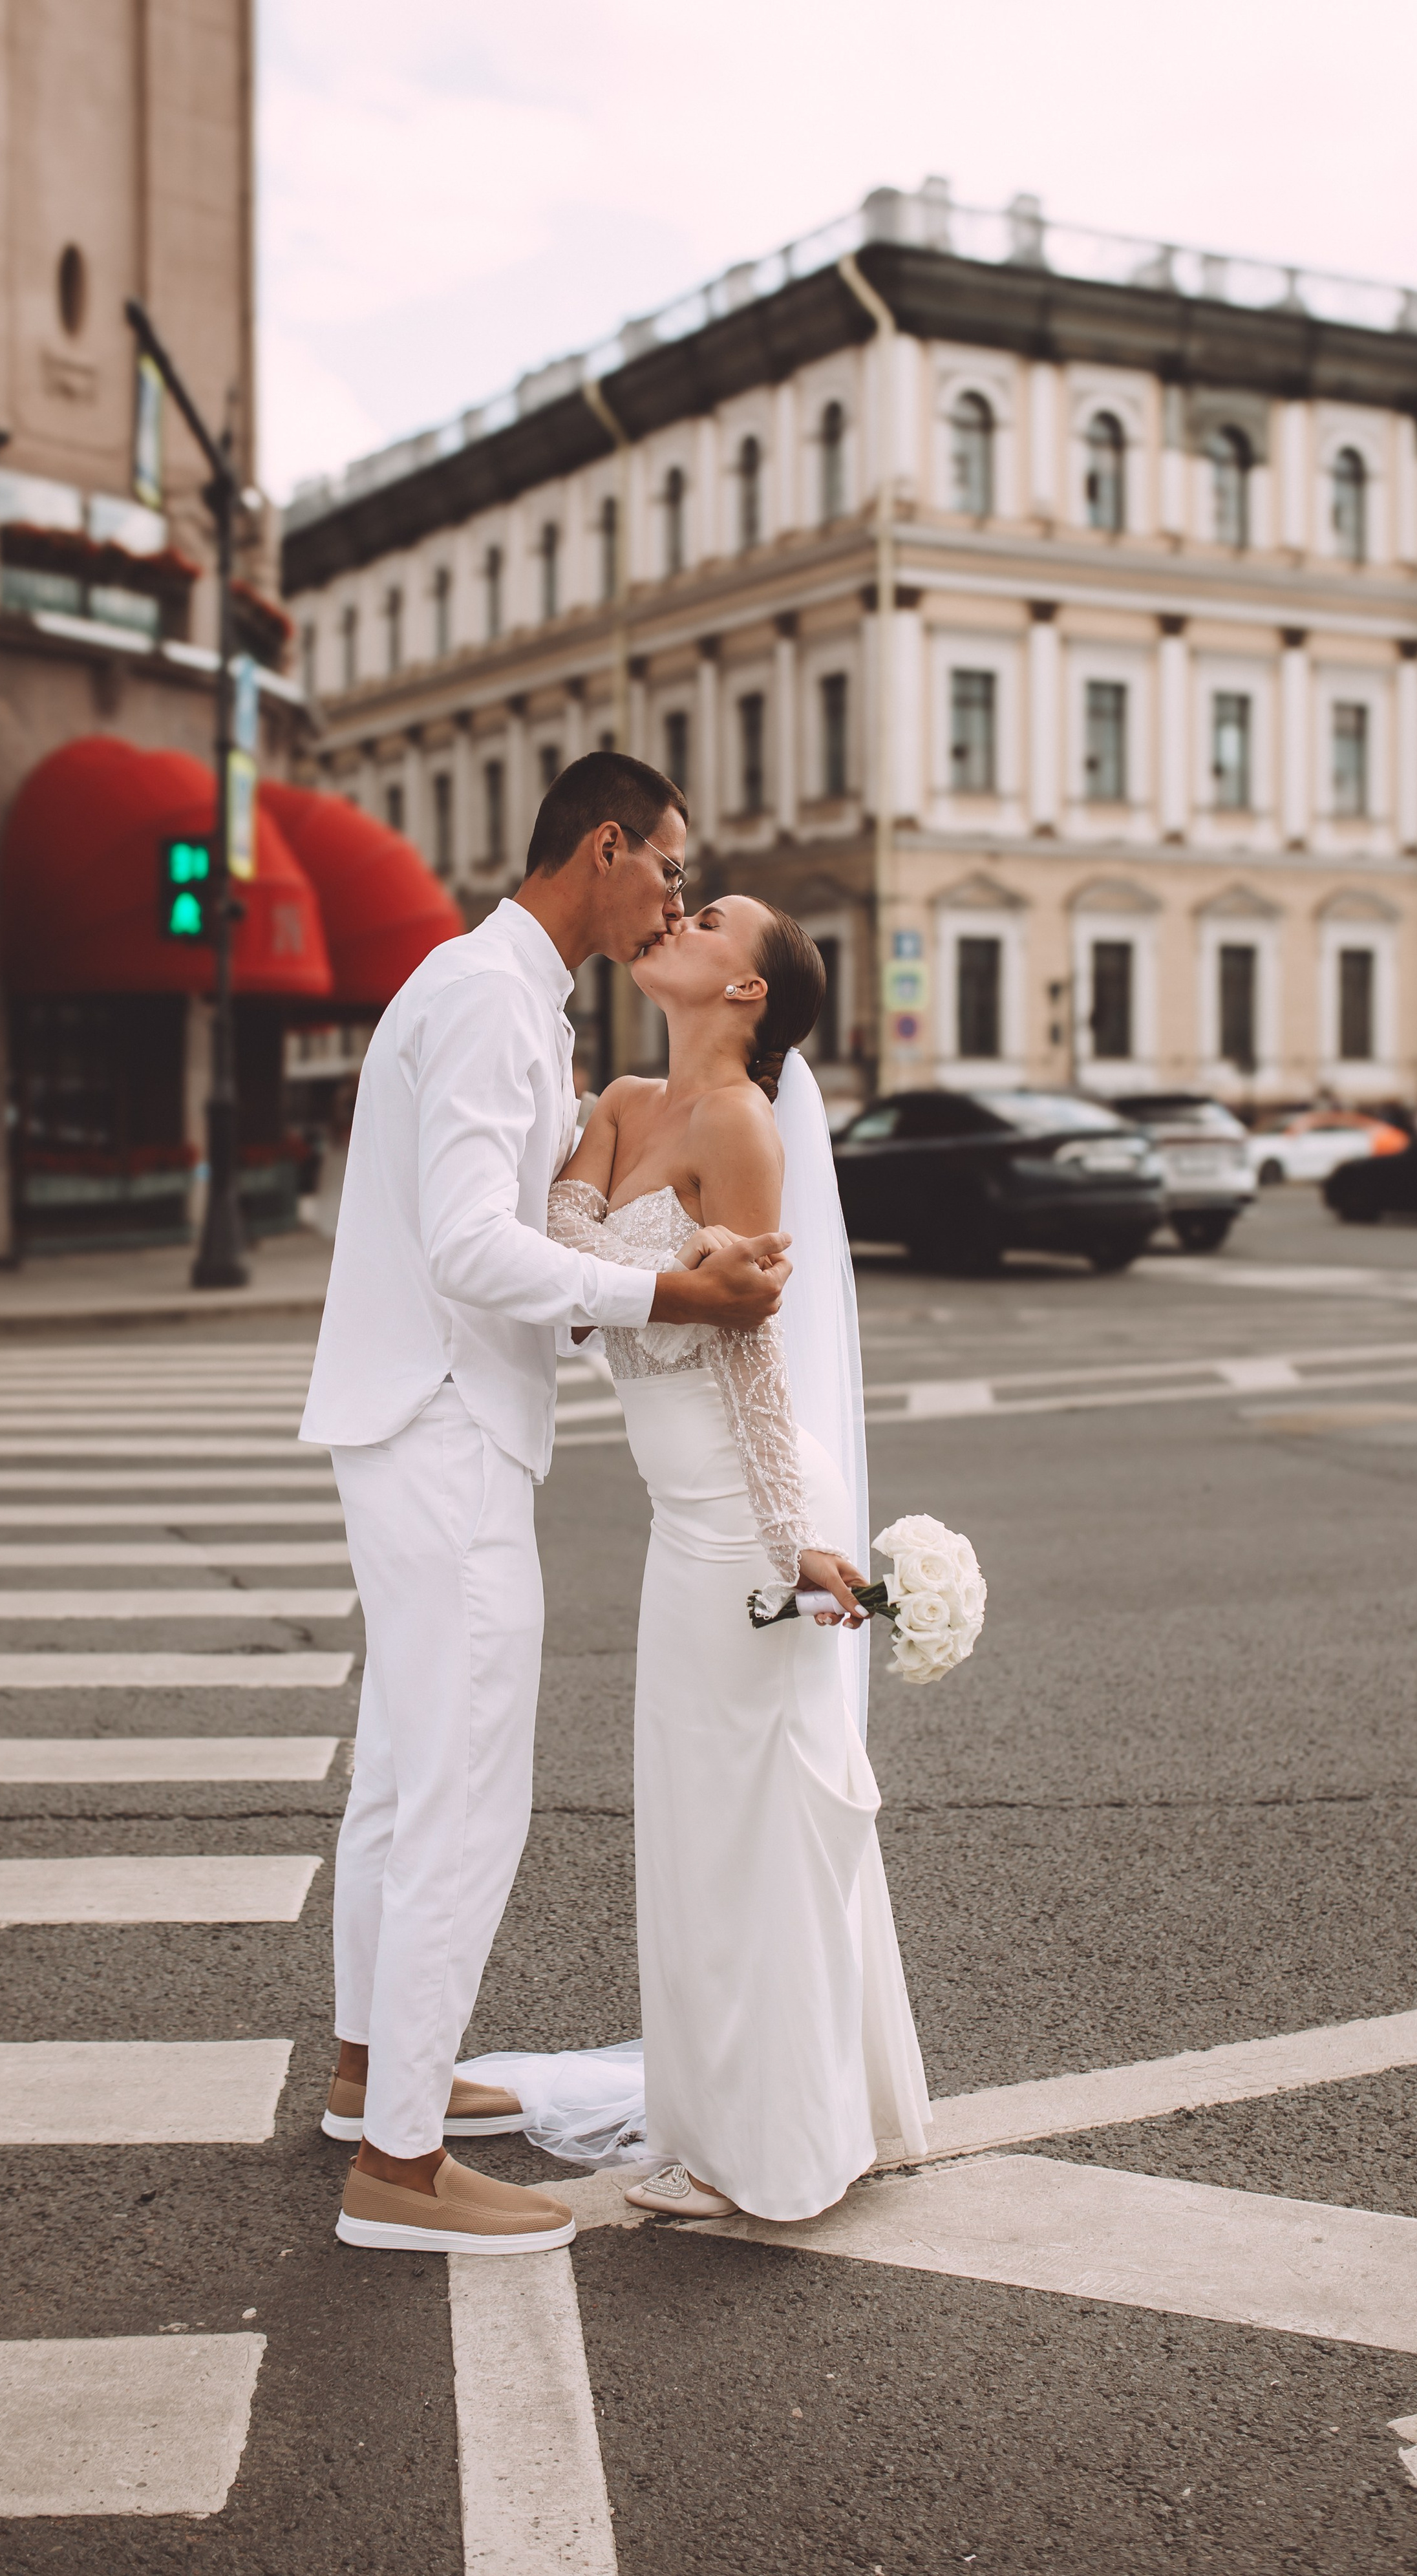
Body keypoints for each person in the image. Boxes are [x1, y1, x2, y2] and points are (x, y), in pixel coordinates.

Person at [300, 753, 792, 2257]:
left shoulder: (505, 996)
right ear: (604, 846)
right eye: (667, 865)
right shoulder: (484, 999)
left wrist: (625, 1274)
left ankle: (377, 2073)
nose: (674, 896)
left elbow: (501, 1231)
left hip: (427, 1417)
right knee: (463, 1786)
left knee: (402, 1772)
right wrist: (661, 1287)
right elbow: (464, 1244)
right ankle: (395, 2169)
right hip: (443, 1423)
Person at [478, 893, 931, 2221]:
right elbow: (554, 1268)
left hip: (746, 1514)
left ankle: (772, 2150)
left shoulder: (736, 1126)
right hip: (683, 1523)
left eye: (712, 918)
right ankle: (742, 2111)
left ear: (746, 991)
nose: (678, 913)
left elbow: (751, 1356)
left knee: (756, 1831)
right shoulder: (616, 1104)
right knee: (691, 1828)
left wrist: (802, 1544)